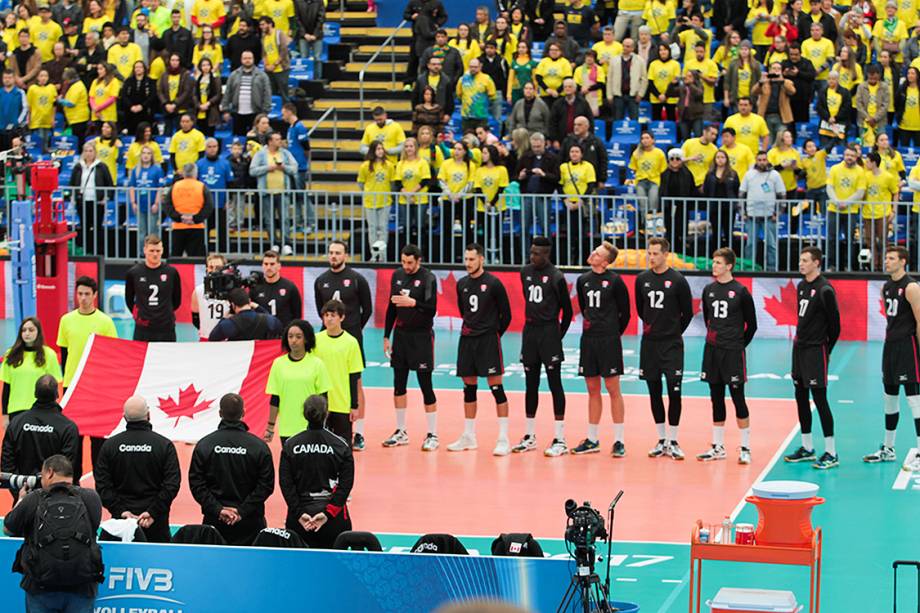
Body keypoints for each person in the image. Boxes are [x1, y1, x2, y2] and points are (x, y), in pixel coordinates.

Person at [3, 455, 103, 613]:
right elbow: (94, 526)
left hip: (41, 588)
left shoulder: (33, 499)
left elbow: (8, 529)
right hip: (82, 586)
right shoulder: (91, 497)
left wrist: (21, 500)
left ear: (49, 472)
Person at [446, 243, 512, 455]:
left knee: (496, 387)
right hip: (467, 339)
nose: (468, 263)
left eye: (472, 259)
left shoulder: (493, 283)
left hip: (487, 341)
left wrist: (493, 335)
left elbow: (507, 315)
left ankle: (503, 438)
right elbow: (463, 310)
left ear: (481, 259)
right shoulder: (462, 284)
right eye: (465, 259)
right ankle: (469, 436)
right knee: (468, 387)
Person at [510, 236, 573, 456]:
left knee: (555, 384)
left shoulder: (557, 277)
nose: (532, 256)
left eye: (537, 253)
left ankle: (560, 438)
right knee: (531, 384)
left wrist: (558, 336)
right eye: (531, 252)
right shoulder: (524, 272)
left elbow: (568, 312)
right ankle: (530, 436)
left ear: (547, 254)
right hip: (530, 333)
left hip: (549, 332)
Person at [696, 248, 758, 464]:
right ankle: (718, 446)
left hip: (733, 351)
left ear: (729, 266)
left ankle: (745, 447)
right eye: (713, 262)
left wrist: (738, 345)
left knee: (738, 398)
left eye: (719, 262)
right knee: (716, 398)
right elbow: (707, 319)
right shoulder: (709, 290)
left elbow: (752, 325)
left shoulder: (740, 291)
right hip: (713, 350)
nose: (714, 266)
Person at [189, 392, 275, 545]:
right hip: (250, 523)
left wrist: (218, 510)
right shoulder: (259, 447)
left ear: (220, 413)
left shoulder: (204, 445)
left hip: (215, 522)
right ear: (243, 413)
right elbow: (266, 485)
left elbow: (196, 484)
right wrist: (243, 511)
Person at [635, 238, 693, 460]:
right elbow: (642, 310)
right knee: (654, 392)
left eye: (656, 254)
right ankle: (661, 440)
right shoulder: (642, 279)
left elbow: (687, 313)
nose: (651, 257)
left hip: (672, 344)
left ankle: (674, 440)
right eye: (649, 253)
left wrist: (672, 331)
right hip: (649, 344)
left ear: (666, 254)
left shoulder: (678, 280)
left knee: (674, 391)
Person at [94, 395, 181, 543]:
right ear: (148, 415)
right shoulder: (164, 445)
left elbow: (103, 485)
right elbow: (171, 485)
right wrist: (153, 512)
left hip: (121, 525)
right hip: (156, 524)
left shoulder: (110, 446)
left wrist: (121, 512)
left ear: (124, 418)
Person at [783, 247, 841, 469]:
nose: (801, 264)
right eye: (800, 260)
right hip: (800, 349)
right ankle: (807, 447)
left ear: (817, 263)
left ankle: (831, 452)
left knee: (820, 400)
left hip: (816, 350)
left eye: (805, 260)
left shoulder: (825, 289)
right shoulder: (801, 286)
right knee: (800, 397)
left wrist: (827, 349)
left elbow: (835, 326)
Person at [571, 242, 631, 456]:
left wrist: (612, 333)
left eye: (597, 253)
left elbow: (626, 313)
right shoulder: (583, 280)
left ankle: (619, 440)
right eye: (594, 250)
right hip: (589, 340)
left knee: (613, 389)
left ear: (605, 262)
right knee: (592, 389)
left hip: (609, 340)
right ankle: (592, 439)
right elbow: (584, 306)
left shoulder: (615, 282)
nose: (592, 253)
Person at [864, 246, 920, 471]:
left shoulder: (912, 287)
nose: (886, 262)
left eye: (891, 258)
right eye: (886, 258)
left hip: (908, 346)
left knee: (914, 400)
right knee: (890, 397)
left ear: (903, 261)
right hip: (890, 346)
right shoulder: (887, 287)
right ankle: (888, 448)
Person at [314, 242, 373, 448]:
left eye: (337, 253)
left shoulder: (357, 279)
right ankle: (324, 426)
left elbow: (368, 309)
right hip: (328, 340)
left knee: (355, 382)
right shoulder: (321, 281)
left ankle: (360, 432)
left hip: (351, 339)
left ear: (345, 255)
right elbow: (320, 309)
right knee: (325, 378)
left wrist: (354, 328)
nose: (334, 256)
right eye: (331, 253)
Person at [381, 244, 439, 450]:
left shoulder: (428, 278)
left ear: (418, 260)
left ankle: (432, 434)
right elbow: (391, 308)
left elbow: (432, 309)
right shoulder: (397, 275)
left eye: (410, 263)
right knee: (399, 385)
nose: (406, 266)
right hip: (401, 337)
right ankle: (401, 431)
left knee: (426, 385)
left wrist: (413, 302)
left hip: (421, 337)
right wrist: (387, 335)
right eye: (403, 262)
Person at [279, 394, 354, 548]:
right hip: (334, 520)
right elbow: (346, 485)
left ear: (304, 414)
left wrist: (299, 514)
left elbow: (286, 483)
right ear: (327, 413)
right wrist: (327, 514)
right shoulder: (341, 445)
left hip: (300, 520)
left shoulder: (290, 444)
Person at [1, 376, 79, 495]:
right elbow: (68, 466)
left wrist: (20, 490)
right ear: (57, 394)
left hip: (23, 493)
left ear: (35, 393)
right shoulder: (67, 427)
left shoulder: (17, 422)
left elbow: (7, 462)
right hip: (53, 496)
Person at [265, 320, 331, 443]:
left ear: (306, 339)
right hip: (287, 429)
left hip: (311, 429)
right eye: (290, 336)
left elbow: (324, 399)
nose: (293, 340)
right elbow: (275, 398)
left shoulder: (317, 364)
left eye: (298, 337)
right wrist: (270, 426)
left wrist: (323, 425)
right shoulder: (278, 364)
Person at [313, 300, 364, 442]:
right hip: (320, 404)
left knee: (343, 446)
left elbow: (354, 376)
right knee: (321, 446)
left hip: (342, 403)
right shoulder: (316, 340)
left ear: (341, 317)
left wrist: (354, 406)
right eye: (326, 315)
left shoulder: (351, 342)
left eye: (333, 315)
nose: (329, 319)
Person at [1, 318, 63, 427]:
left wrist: (55, 413)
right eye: (24, 330)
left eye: (31, 330)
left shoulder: (49, 355)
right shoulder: (10, 354)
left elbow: (54, 389)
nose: (27, 333)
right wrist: (5, 415)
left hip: (42, 410)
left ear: (38, 332)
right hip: (16, 410)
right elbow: (6, 388)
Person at [125, 234, 182, 341]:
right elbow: (129, 299)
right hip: (143, 328)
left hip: (166, 327)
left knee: (167, 357)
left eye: (158, 251)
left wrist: (164, 314)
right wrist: (141, 316)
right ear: (145, 250)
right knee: (141, 357)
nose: (155, 254)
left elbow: (177, 300)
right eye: (151, 251)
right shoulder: (134, 273)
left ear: (162, 250)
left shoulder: (171, 272)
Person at [740, 151, 787, 271]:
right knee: (750, 245)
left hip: (769, 216)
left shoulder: (775, 174)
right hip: (751, 215)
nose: (762, 162)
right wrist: (742, 213)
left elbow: (782, 194)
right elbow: (741, 194)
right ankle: (748, 268)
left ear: (767, 160)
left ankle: (772, 269)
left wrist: (779, 213)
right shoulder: (749, 174)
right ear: (756, 160)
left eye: (764, 160)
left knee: (771, 245)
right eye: (759, 160)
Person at [825, 145, 866, 271]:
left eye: (852, 156)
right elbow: (829, 187)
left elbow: (860, 192)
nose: (849, 157)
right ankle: (831, 265)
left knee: (850, 239)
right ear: (843, 155)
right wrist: (837, 202)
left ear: (856, 157)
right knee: (832, 238)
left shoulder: (860, 171)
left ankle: (848, 266)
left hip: (851, 211)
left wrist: (846, 203)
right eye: (847, 155)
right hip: (833, 209)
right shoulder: (835, 169)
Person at [164, 162, 213, 257]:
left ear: (183, 173)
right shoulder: (201, 186)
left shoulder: (175, 186)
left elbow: (167, 205)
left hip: (178, 227)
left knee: (176, 258)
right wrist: (195, 218)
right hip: (197, 227)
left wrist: (179, 217)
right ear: (196, 173)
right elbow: (209, 206)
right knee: (198, 260)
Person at [516, 132, 560, 238]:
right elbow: (515, 175)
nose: (536, 149)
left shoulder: (552, 158)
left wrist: (543, 174)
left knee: (545, 228)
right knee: (524, 228)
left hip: (543, 196)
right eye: (534, 146)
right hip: (527, 195)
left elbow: (557, 178)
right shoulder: (525, 157)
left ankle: (546, 253)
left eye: (538, 146)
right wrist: (520, 177)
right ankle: (524, 254)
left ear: (544, 144)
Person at [221, 50, 273, 136]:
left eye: (249, 58)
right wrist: (225, 110)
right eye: (245, 58)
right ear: (241, 60)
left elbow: (267, 94)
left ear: (253, 59)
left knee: (255, 140)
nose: (247, 60)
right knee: (239, 139)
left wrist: (265, 112)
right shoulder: (233, 75)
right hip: (237, 113)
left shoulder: (262, 75)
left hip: (255, 113)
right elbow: (227, 93)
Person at [250, 250, 303, 326]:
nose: (268, 267)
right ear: (262, 266)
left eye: (272, 264)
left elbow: (297, 315)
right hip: (262, 334)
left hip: (283, 334)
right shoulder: (255, 288)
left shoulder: (289, 287)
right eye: (266, 264)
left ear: (279, 266)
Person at [209, 288, 284, 341]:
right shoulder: (268, 320)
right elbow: (278, 326)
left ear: (233, 305)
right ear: (249, 301)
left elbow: (212, 338)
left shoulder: (228, 324)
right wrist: (258, 307)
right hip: (261, 360)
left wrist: (224, 318)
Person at [659, 148, 697, 253]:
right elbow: (661, 190)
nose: (675, 161)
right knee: (669, 228)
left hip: (682, 206)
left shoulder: (687, 174)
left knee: (681, 228)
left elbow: (692, 190)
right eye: (672, 159)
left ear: (681, 160)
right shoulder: (664, 174)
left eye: (678, 159)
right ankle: (669, 251)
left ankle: (681, 252)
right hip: (669, 206)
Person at [190, 253, 230, 340]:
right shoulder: (198, 290)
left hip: (227, 340)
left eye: (218, 267)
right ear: (207, 269)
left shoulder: (232, 291)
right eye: (211, 267)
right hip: (206, 338)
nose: (214, 270)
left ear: (224, 269)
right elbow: (195, 319)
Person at [606, 37, 647, 122]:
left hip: (633, 95)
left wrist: (641, 94)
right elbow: (609, 79)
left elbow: (644, 79)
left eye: (628, 46)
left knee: (634, 121)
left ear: (632, 48)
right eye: (624, 46)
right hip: (618, 95)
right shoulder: (614, 60)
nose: (625, 48)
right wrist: (609, 95)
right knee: (617, 121)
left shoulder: (640, 61)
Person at [629, 131, 666, 214]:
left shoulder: (659, 153)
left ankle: (652, 226)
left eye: (647, 138)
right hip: (640, 182)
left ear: (653, 140)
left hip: (654, 181)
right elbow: (634, 168)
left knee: (653, 205)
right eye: (642, 138)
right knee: (642, 206)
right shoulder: (636, 153)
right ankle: (644, 225)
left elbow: (663, 170)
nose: (644, 140)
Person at [457, 57, 498, 131]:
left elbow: (492, 96)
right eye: (471, 67)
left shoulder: (487, 79)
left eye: (475, 67)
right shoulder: (462, 79)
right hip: (467, 116)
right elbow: (459, 94)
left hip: (481, 115)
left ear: (480, 66)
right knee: (467, 139)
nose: (473, 69)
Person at [259, 16, 291, 102]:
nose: (261, 27)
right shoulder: (263, 37)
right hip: (269, 70)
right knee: (272, 94)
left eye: (263, 24)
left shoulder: (279, 34)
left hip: (281, 69)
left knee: (284, 95)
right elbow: (264, 53)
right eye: (260, 25)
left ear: (270, 24)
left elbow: (283, 51)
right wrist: (266, 65)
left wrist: (274, 65)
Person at [294, 0, 325, 78]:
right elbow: (297, 19)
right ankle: (305, 79)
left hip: (317, 35)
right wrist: (304, 34)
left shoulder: (319, 1)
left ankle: (317, 80)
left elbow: (321, 19)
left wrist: (315, 34)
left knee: (317, 58)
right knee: (304, 58)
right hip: (303, 35)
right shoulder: (297, 2)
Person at [683, 123, 719, 189]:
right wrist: (691, 158)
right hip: (687, 180)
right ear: (704, 132)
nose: (714, 137)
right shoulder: (689, 143)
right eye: (712, 134)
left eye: (716, 135)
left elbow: (712, 168)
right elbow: (679, 160)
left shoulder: (714, 149)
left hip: (703, 183)